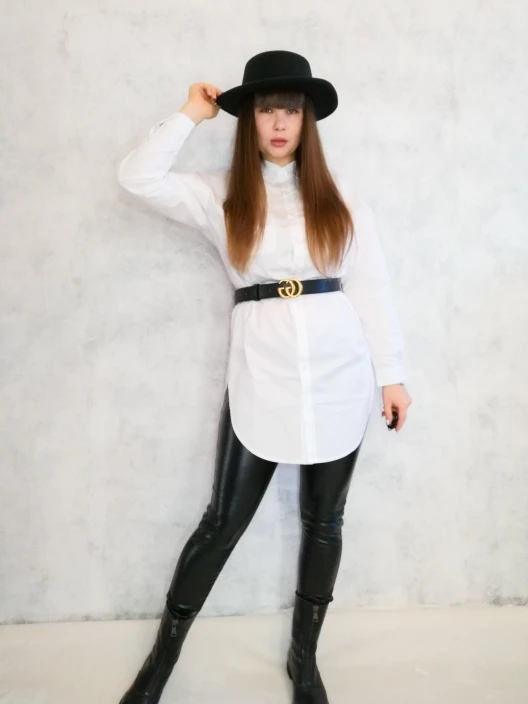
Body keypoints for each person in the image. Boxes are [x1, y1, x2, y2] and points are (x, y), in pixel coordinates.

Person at [116, 50, 412, 704]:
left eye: (292, 111)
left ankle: (304, 660)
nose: (279, 123)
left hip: (339, 371)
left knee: (325, 521)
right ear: (249, 119)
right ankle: (160, 663)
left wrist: (391, 375)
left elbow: (371, 285)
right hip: (262, 372)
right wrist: (190, 113)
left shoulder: (340, 195)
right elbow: (137, 178)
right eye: (267, 110)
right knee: (222, 521)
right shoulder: (220, 194)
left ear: (308, 122)